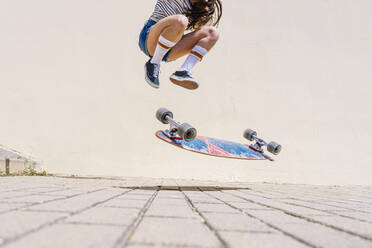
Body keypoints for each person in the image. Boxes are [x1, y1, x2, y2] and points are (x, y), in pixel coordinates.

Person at [138, 0, 222, 90]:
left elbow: (198, 28)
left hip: (170, 46)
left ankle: (183, 72)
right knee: (181, 20)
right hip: (149, 38)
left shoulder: (199, 8)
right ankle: (153, 63)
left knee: (213, 33)